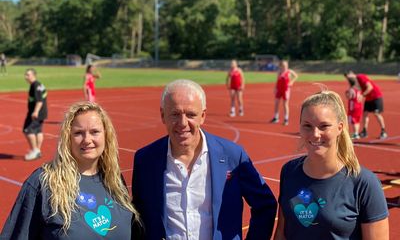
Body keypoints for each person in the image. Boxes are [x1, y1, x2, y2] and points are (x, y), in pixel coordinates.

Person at [132, 79, 277, 239]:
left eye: (191, 114)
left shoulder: (233, 155)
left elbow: (265, 204)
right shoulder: (145, 160)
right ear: (163, 115)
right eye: (175, 114)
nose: (183, 123)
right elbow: (139, 216)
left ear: (203, 116)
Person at [1, 101, 143, 239]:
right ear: (67, 138)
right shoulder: (43, 183)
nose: (87, 139)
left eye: (95, 132)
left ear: (106, 136)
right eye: (78, 133)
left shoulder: (114, 180)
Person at [274, 90, 389, 240]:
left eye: (324, 126)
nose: (315, 134)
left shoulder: (364, 182)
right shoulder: (289, 171)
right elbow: (281, 233)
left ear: (340, 128)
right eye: (307, 126)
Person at [344, 71, 387, 139]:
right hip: (368, 98)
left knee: (376, 113)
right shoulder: (354, 82)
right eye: (347, 78)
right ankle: (364, 131)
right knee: (365, 114)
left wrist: (362, 95)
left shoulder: (360, 77)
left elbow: (370, 87)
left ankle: (383, 131)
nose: (348, 78)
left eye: (348, 76)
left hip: (376, 96)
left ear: (352, 74)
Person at [23, 68, 48, 161]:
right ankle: (37, 150)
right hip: (42, 113)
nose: (26, 77)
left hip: (36, 113)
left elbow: (39, 101)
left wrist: (35, 112)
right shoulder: (38, 84)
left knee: (27, 130)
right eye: (25, 75)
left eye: (28, 75)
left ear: (33, 75)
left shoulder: (35, 85)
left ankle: (35, 150)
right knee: (38, 131)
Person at [270, 60, 298, 126]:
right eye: (283, 65)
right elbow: (277, 80)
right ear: (280, 66)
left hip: (286, 90)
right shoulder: (279, 72)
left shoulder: (289, 71)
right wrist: (275, 88)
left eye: (285, 65)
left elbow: (296, 76)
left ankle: (286, 119)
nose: (284, 66)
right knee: (276, 103)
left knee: (285, 104)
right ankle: (276, 117)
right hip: (279, 89)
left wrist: (292, 82)